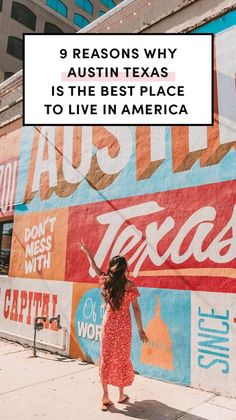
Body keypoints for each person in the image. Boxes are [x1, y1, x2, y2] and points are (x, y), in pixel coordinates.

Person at [80, 242, 148, 411]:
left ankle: (105, 396)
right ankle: (121, 394)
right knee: (122, 357)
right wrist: (140, 329)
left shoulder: (105, 281)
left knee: (107, 357)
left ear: (111, 268)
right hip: (124, 325)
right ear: (125, 269)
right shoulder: (130, 286)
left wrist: (88, 250)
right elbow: (136, 308)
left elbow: (94, 267)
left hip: (108, 323)